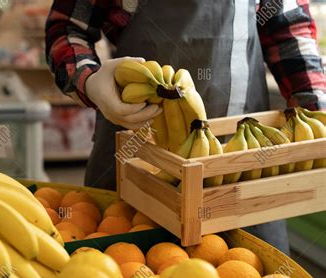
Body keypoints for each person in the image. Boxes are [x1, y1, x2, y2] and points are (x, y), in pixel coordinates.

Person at [45, 0, 326, 255]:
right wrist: (90, 80)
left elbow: (287, 26)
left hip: (250, 170)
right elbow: (66, 26)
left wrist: (316, 113)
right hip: (138, 163)